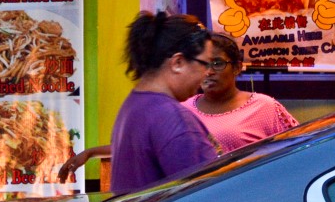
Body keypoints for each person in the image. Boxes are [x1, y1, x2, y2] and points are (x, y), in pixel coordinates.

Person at [58, 12, 217, 192]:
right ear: (178, 62)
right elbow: (206, 199)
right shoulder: (174, 119)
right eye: (205, 64)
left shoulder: (133, 105)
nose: (208, 73)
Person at [186, 32, 298, 151]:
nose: (208, 72)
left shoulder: (264, 106)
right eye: (202, 64)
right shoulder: (184, 109)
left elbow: (297, 147)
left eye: (217, 64)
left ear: (237, 68)